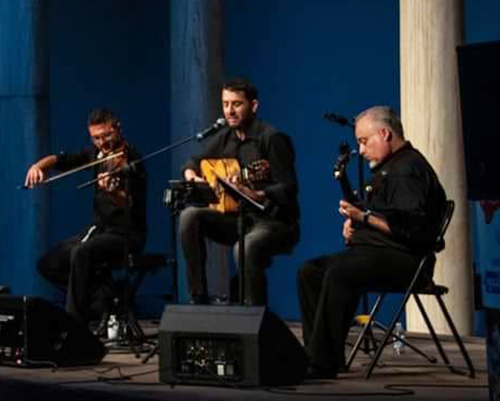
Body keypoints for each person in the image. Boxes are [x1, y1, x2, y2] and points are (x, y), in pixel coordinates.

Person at [297, 106, 447, 379]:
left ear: (385, 134)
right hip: (380, 254)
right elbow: (381, 216)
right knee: (310, 271)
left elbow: (410, 229)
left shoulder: (408, 170)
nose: (361, 150)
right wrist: (354, 224)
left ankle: (322, 364)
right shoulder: (389, 168)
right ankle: (319, 355)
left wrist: (363, 218)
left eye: (364, 142)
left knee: (341, 271)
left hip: (409, 261)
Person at [179, 78, 300, 306]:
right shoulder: (225, 136)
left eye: (236, 104)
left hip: (274, 221)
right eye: (225, 104)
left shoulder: (271, 138)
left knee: (246, 247)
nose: (229, 111)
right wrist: (193, 177)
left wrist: (260, 194)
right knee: (189, 216)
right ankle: (198, 300)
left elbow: (289, 188)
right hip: (239, 218)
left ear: (253, 106)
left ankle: (255, 316)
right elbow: (193, 162)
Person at [24, 107, 147, 327]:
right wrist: (37, 166)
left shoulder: (132, 160)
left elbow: (128, 204)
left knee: (81, 253)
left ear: (117, 128)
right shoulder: (96, 155)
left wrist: (112, 192)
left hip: (126, 234)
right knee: (49, 263)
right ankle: (106, 296)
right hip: (99, 231)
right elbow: (62, 159)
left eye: (106, 136)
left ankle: (73, 325)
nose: (102, 143)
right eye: (96, 138)